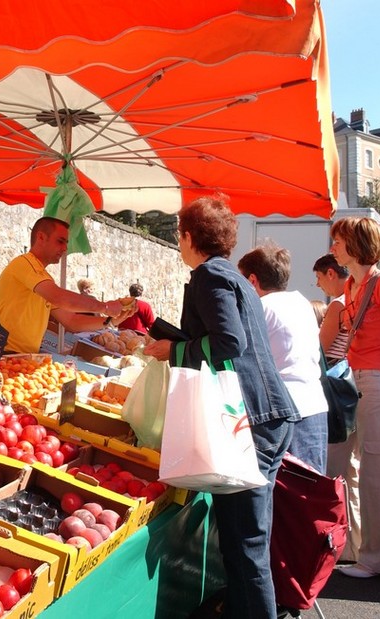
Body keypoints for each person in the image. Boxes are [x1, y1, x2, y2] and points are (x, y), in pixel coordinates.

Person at [144, 196, 298, 619]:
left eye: (179, 234)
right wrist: (155, 328)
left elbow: (230, 343)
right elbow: (212, 334)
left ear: (189, 236)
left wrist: (175, 354)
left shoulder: (209, 276)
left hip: (252, 422)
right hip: (264, 416)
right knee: (241, 540)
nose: (179, 241)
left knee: (246, 544)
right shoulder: (228, 275)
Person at [327, 217, 380, 580]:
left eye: (338, 241)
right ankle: (357, 548)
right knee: (339, 467)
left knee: (378, 473)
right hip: (355, 381)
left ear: (356, 244)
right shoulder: (352, 288)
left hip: (377, 382)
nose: (333, 247)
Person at [239, 244, 329, 474]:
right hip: (314, 404)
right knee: (309, 490)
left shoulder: (262, 307)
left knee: (283, 497)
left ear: (252, 280)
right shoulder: (301, 303)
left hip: (284, 411)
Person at [0, 217, 134, 353]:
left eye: (66, 242)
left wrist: (111, 321)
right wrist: (106, 307)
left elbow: (72, 321)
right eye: (60, 241)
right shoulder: (24, 264)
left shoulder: (43, 279)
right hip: (5, 354)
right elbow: (59, 297)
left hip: (22, 356)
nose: (65, 248)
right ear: (41, 237)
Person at [312, 254, 351, 365]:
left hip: (333, 369)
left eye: (319, 277)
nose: (317, 284)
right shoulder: (352, 299)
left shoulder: (338, 304)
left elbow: (320, 347)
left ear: (330, 274)